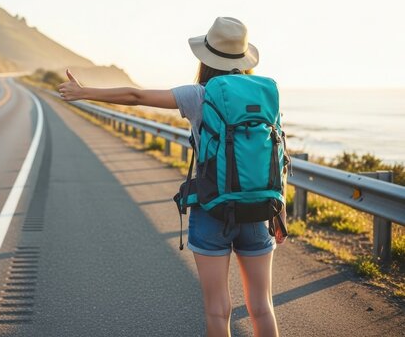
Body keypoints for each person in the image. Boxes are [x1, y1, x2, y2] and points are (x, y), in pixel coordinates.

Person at [57, 17, 283, 337]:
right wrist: (280, 211)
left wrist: (83, 92)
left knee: (218, 310)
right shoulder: (265, 94)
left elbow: (136, 97)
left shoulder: (199, 94)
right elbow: (278, 155)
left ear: (206, 58)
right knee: (262, 306)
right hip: (260, 209)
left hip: (212, 208)